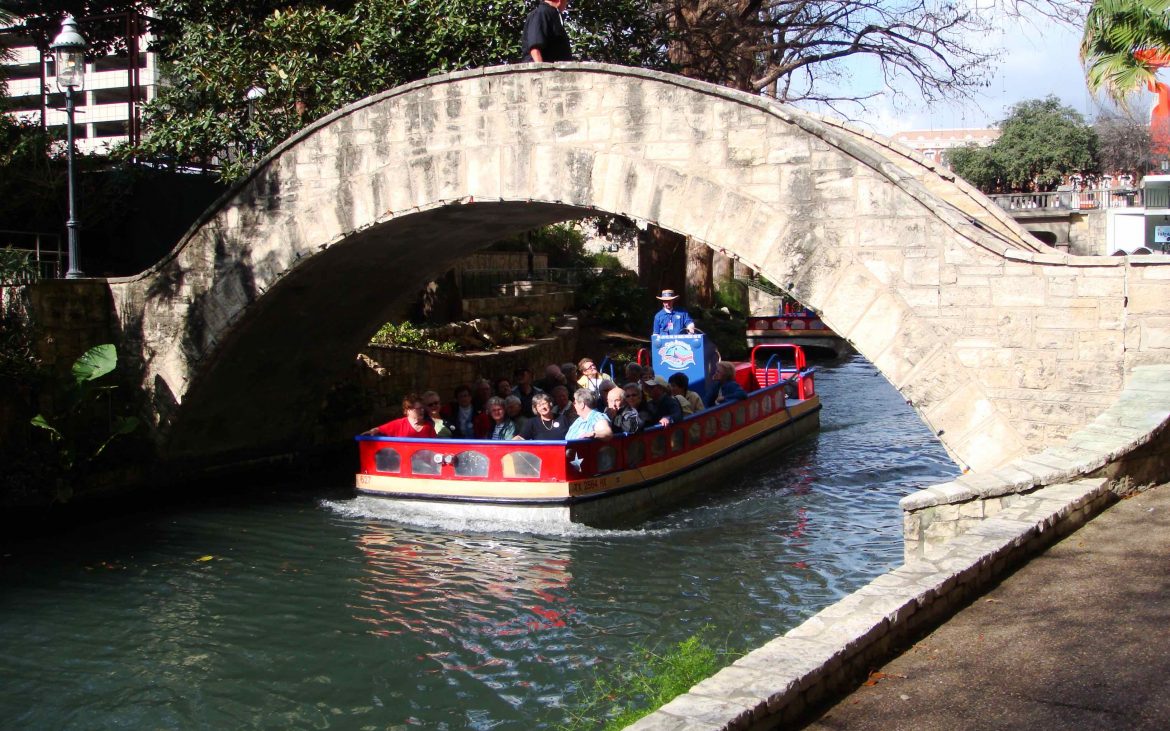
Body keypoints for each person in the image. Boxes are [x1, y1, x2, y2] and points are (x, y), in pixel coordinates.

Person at [363, 393, 437, 438]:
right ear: (408, 410)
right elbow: (379, 429)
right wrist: (370, 433)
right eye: (418, 408)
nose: (422, 410)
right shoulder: (399, 424)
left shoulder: (428, 427)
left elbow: (435, 446)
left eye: (422, 408)